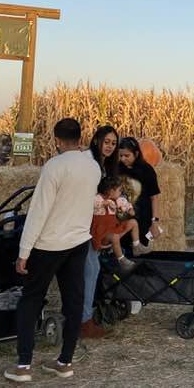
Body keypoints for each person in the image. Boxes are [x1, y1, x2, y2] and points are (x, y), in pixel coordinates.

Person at [5, 118, 101, 383]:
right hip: (79, 242)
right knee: (73, 301)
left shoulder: (54, 167)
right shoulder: (92, 168)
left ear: (57, 140)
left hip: (49, 244)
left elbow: (38, 211)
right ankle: (65, 361)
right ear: (80, 138)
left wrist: (24, 250)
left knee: (31, 299)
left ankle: (23, 365)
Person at [80, 125, 120, 339]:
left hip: (94, 223)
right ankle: (83, 321)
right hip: (83, 224)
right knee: (90, 269)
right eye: (107, 142)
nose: (110, 147)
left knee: (90, 269)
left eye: (114, 144)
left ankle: (83, 316)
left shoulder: (103, 166)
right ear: (96, 140)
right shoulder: (88, 162)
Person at [92, 176, 151, 272]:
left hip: (113, 228)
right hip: (102, 234)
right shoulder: (98, 198)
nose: (121, 193)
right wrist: (104, 203)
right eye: (119, 190)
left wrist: (130, 209)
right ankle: (121, 260)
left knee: (133, 222)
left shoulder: (117, 199)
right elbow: (93, 204)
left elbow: (126, 204)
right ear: (110, 191)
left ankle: (136, 246)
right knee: (114, 236)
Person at [117, 137, 163, 247]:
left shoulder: (147, 170)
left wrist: (155, 222)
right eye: (121, 155)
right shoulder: (117, 168)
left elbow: (154, 198)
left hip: (142, 220)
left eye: (127, 156)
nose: (123, 159)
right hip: (121, 219)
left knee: (138, 252)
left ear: (136, 154)